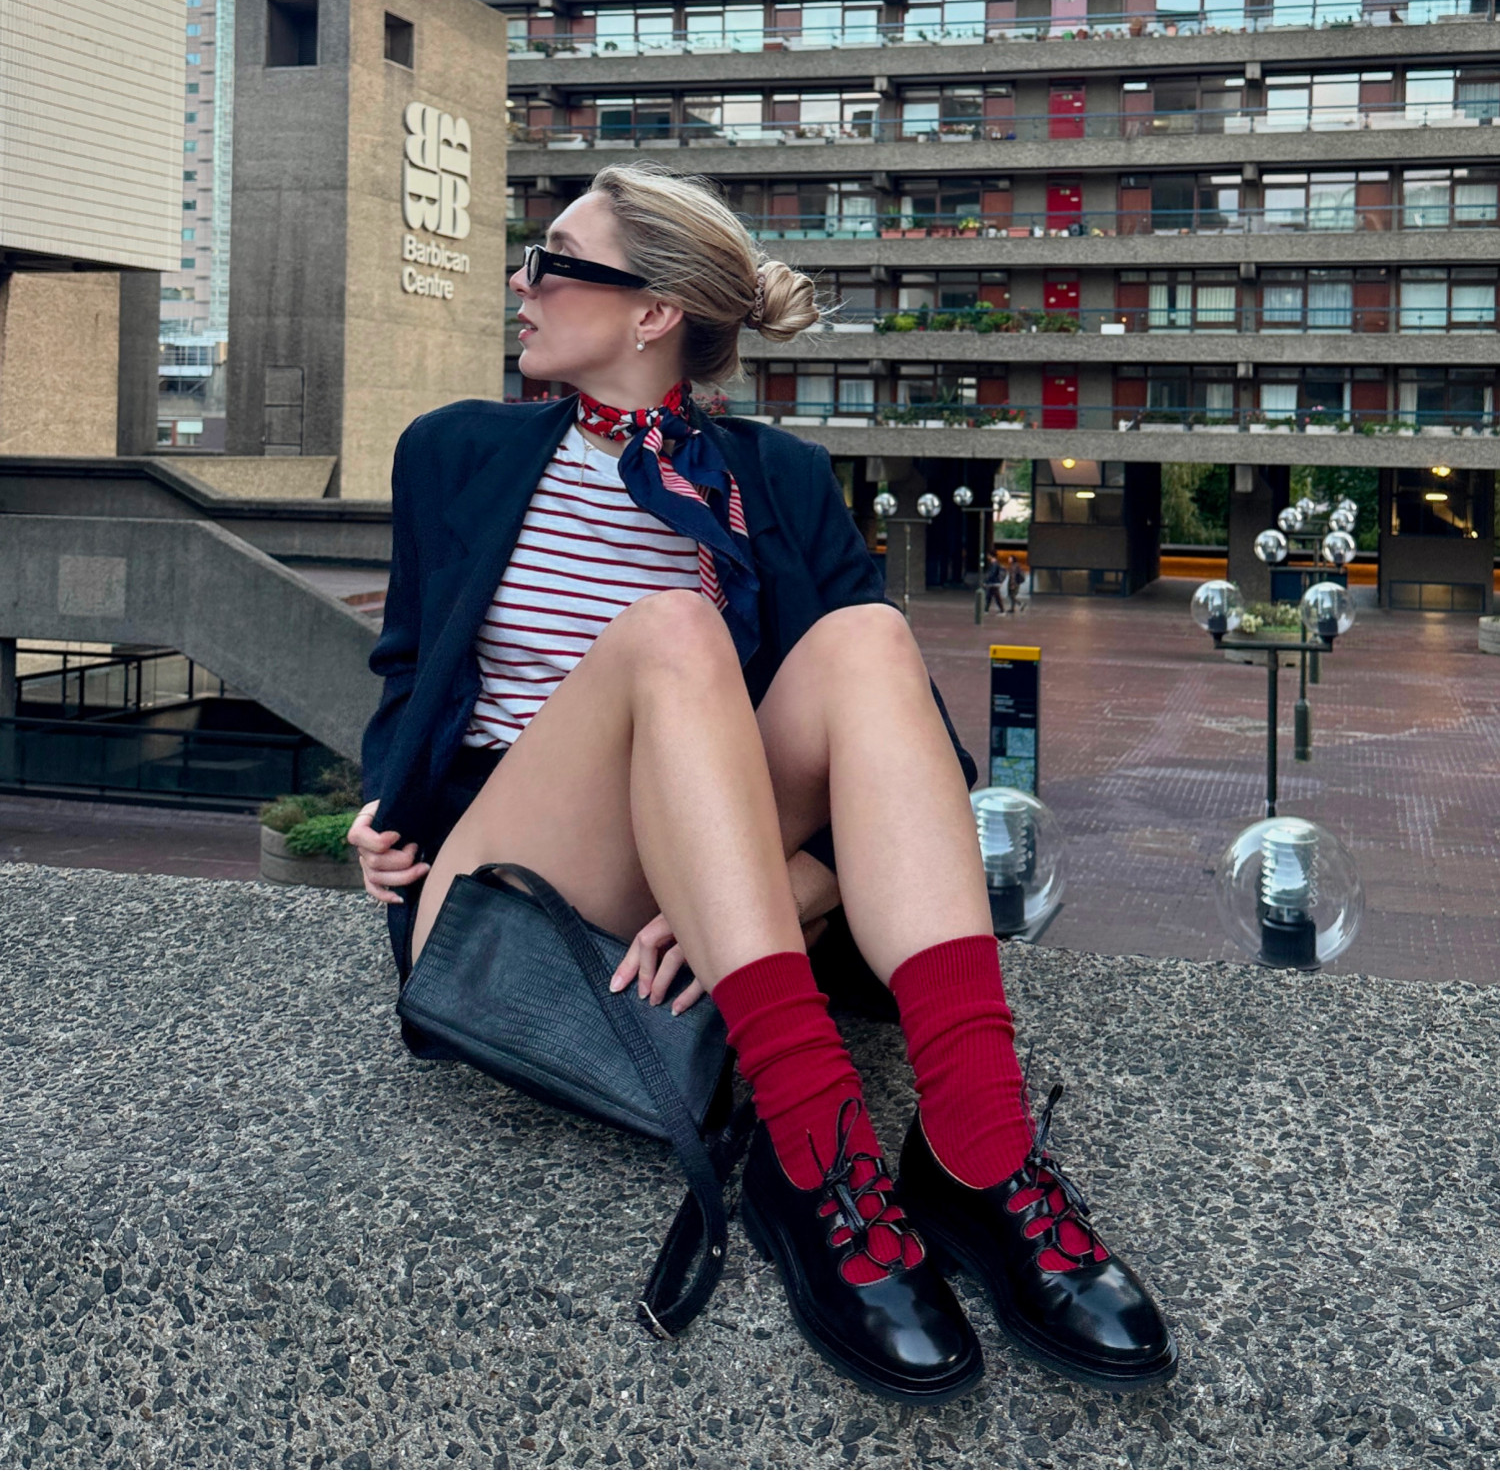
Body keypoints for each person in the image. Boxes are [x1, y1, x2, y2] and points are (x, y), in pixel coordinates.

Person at [349, 163, 1175, 1402]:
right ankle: (816, 1138)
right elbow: (409, 666)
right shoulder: (452, 451)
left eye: (552, 261)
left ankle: (978, 1147)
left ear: (651, 312)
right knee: (675, 631)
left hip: (704, 869)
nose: (521, 284)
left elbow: (911, 754)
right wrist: (380, 806)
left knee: (871, 640)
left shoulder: (774, 477)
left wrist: (782, 884)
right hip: (512, 882)